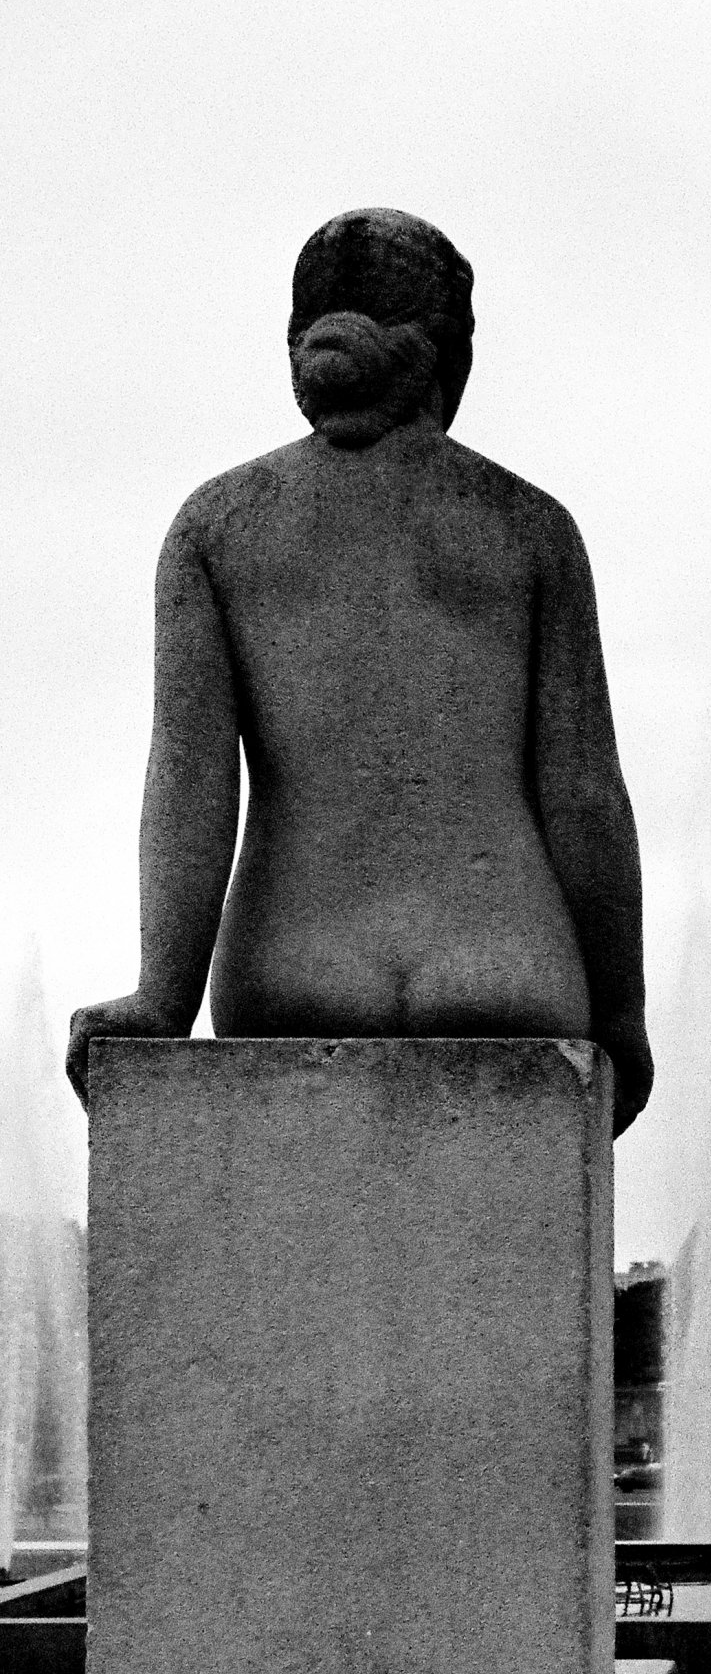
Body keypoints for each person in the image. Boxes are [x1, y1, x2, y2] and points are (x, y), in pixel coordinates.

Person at [67, 209, 652, 1133]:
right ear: (451, 353)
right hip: (506, 958)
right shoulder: (531, 528)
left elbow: (190, 780)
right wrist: (623, 1016)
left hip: (291, 964)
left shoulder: (216, 526)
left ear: (298, 344)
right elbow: (584, 794)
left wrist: (160, 999)